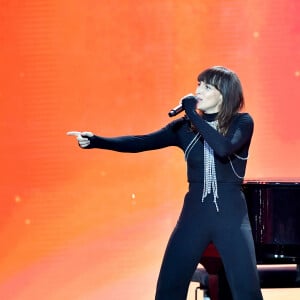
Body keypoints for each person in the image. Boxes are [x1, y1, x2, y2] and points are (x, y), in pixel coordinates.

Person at [67, 66, 263, 300]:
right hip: (195, 216)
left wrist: (191, 114)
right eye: (198, 84)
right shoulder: (183, 128)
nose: (198, 90)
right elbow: (142, 141)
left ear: (224, 94)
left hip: (231, 217)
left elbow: (223, 149)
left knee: (247, 292)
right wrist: (97, 141)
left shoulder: (242, 122)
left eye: (207, 86)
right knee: (168, 290)